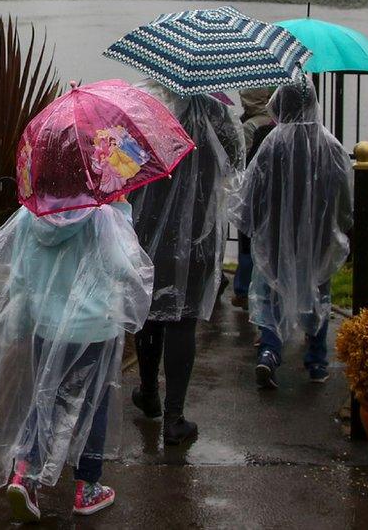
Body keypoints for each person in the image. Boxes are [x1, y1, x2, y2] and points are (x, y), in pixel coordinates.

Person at [0, 131, 154, 522]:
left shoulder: (30, 214)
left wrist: (22, 325)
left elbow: (19, 277)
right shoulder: (102, 215)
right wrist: (122, 212)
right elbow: (124, 269)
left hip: (46, 328)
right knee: (93, 404)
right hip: (94, 330)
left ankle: (26, 472)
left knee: (45, 398)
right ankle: (87, 487)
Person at [129, 79, 245, 443]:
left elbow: (123, 166)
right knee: (183, 319)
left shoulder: (145, 113)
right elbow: (235, 166)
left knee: (149, 312)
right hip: (198, 232)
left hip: (148, 231)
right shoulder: (219, 115)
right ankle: (175, 417)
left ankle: (149, 393)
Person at [230, 76, 354, 388]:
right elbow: (344, 198)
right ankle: (316, 361)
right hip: (319, 238)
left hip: (273, 236)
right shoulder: (331, 146)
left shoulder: (272, 143)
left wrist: (254, 227)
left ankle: (270, 351)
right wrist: (339, 227)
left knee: (271, 290)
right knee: (318, 292)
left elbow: (251, 193)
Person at [232, 87, 277, 310]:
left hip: (252, 193)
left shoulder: (250, 126)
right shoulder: (278, 122)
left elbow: (241, 159)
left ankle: (242, 289)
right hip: (273, 196)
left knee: (247, 245)